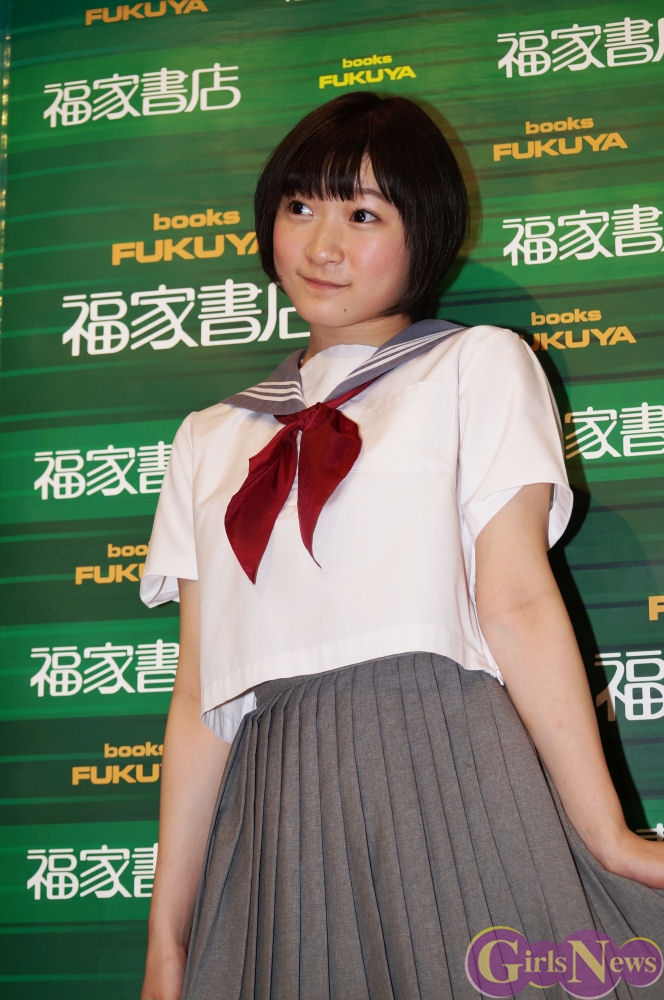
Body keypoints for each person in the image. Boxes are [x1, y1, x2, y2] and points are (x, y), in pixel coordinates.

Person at [139, 92, 664, 1000]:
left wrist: (607, 835)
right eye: (300, 206)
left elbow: (516, 600)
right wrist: (168, 940)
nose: (322, 245)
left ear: (427, 231)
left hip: (447, 757)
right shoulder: (209, 437)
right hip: (276, 803)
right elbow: (199, 699)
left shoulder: (477, 365)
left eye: (363, 215)